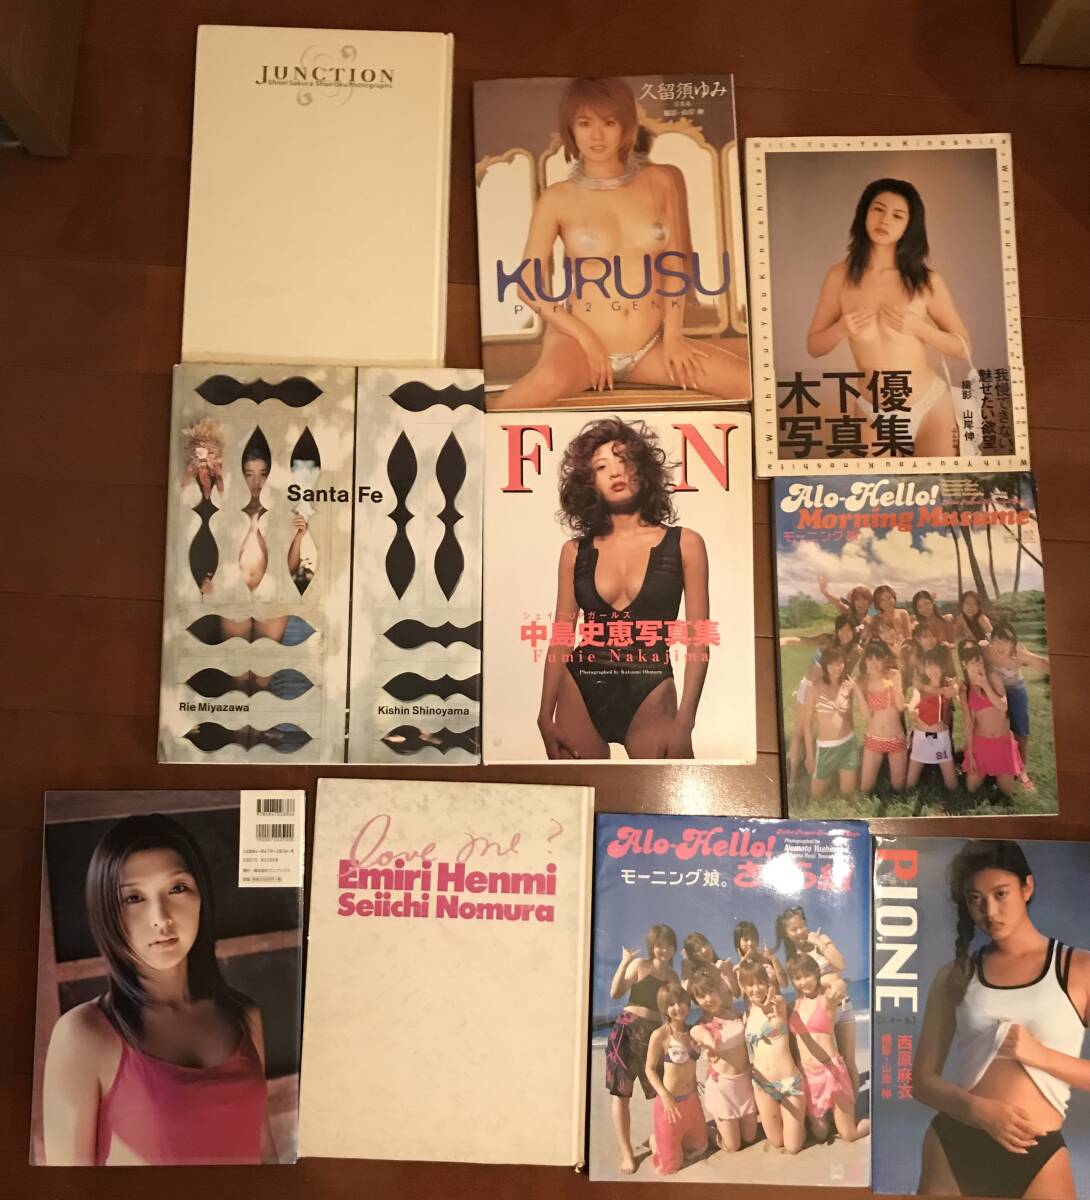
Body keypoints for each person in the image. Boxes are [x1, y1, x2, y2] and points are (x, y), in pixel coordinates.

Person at [495, 76, 748, 409]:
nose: (596, 136)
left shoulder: (661, 181)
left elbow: (674, 264)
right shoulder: (557, 198)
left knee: (746, 380)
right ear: (571, 129)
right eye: (585, 123)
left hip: (651, 346)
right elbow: (526, 286)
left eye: (609, 123)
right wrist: (586, 338)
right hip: (579, 347)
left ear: (626, 126)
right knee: (536, 388)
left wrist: (674, 337)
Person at [41, 814, 274, 1166]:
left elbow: (266, 1154)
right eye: (133, 898)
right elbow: (64, 1187)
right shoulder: (83, 1035)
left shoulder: (244, 1017)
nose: (161, 917)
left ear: (202, 896)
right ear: (105, 912)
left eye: (177, 888)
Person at [913, 840, 1089, 1198]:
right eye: (975, 898)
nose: (989, 911)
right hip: (954, 1143)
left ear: (1027, 887)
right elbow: (921, 1081)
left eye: (1000, 894)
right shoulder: (954, 975)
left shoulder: (1080, 968)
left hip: (1037, 1152)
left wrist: (1040, 1056)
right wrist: (979, 1112)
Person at [537, 418, 709, 760]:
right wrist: (544, 716)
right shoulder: (574, 551)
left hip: (650, 691)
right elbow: (561, 636)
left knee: (661, 791)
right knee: (581, 791)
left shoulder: (685, 543)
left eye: (624, 460)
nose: (615, 472)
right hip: (580, 688)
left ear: (642, 469)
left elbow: (698, 638)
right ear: (590, 481)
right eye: (602, 466)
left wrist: (685, 723)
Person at [806, 177, 972, 457]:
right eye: (878, 209)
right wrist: (841, 328)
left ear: (909, 225)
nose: (885, 221)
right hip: (872, 411)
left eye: (897, 216)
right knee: (877, 486)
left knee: (941, 485)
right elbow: (814, 347)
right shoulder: (839, 276)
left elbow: (964, 348)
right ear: (864, 213)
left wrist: (920, 328)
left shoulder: (925, 281)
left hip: (930, 405)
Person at [605, 924, 680, 1174]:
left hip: (654, 1035)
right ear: (652, 946)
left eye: (668, 945)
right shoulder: (639, 965)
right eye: (659, 945)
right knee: (621, 1093)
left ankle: (661, 1138)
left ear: (674, 948)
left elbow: (675, 1010)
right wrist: (624, 962)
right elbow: (616, 992)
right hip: (626, 1030)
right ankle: (627, 1152)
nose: (664, 949)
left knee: (662, 1090)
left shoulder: (673, 977)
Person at [775, 905, 859, 1096]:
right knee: (829, 1060)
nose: (799, 932)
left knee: (848, 1059)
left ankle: (852, 1105)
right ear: (786, 933)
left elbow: (840, 964)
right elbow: (801, 991)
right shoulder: (795, 957)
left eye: (801, 926)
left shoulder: (822, 939)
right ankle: (830, 1101)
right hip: (821, 1011)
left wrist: (820, 944)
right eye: (794, 929)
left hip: (843, 1005)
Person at [786, 954, 870, 1145]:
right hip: (808, 1076)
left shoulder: (827, 999)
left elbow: (840, 984)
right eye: (797, 977)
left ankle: (873, 1120)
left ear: (816, 973)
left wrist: (841, 984)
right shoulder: (792, 1007)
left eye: (807, 975)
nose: (804, 981)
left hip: (832, 1073)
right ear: (792, 981)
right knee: (821, 1134)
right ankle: (833, 1116)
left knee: (849, 1135)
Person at [782, 614, 861, 780]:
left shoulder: (855, 651)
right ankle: (793, 777)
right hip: (809, 687)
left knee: (828, 729)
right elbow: (807, 641)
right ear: (836, 630)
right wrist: (787, 640)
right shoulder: (827, 639)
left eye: (849, 630)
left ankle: (829, 766)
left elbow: (845, 674)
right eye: (841, 629)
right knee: (800, 731)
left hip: (827, 692)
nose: (844, 633)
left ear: (854, 632)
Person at [739, 958, 806, 1154]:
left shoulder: (778, 1002)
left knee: (792, 1147)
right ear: (743, 987)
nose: (756, 988)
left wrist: (767, 1009)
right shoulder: (746, 1014)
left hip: (789, 1083)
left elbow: (776, 1020)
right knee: (776, 1142)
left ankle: (800, 1127)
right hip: (763, 1086)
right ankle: (794, 1125)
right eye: (750, 984)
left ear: (767, 983)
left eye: (760, 982)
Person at [689, 966, 758, 1153]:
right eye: (701, 996)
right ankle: (709, 1131)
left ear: (718, 990)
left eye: (710, 992)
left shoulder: (734, 1013)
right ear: (696, 1001)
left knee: (750, 1138)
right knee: (732, 1146)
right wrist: (710, 1046)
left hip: (744, 1082)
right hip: (723, 1087)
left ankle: (725, 1125)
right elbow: (705, 1039)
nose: (708, 998)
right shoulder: (699, 1027)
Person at [645, 982, 708, 1174]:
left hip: (692, 1101)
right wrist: (664, 1095)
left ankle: (678, 1139)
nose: (677, 1007)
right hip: (670, 1105)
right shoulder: (660, 1035)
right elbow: (649, 1069)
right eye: (671, 1004)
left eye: (681, 1001)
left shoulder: (694, 1031)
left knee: (699, 1149)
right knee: (670, 1167)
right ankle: (655, 1141)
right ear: (664, 1008)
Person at [986, 621, 1049, 791]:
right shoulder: (986, 651)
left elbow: (1044, 663)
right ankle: (995, 766)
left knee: (1021, 731)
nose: (1000, 646)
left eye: (1005, 641)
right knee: (995, 730)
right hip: (995, 691)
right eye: (996, 640)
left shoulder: (1018, 655)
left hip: (1016, 689)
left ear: (1013, 643)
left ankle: (1022, 772)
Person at [959, 641, 1023, 798]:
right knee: (971, 789)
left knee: (1006, 793)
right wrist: (971, 754)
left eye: (980, 662)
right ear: (965, 665)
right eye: (974, 662)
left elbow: (1003, 707)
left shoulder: (993, 677)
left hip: (1002, 743)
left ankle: (996, 776)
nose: (978, 666)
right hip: (982, 743)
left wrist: (985, 685)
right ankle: (985, 773)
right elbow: (968, 723)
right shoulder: (965, 688)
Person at [801, 645, 860, 801]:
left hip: (848, 744)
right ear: (825, 665)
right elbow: (807, 725)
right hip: (826, 748)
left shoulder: (847, 686)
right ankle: (830, 774)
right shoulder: (814, 688)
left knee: (847, 793)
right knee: (816, 797)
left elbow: (850, 717)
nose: (836, 667)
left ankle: (837, 774)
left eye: (840, 663)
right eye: (832, 663)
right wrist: (809, 755)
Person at [854, 640, 908, 793]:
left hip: (895, 738)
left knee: (898, 788)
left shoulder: (893, 675)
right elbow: (867, 717)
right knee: (865, 789)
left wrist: (895, 685)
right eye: (870, 658)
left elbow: (900, 707)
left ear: (885, 659)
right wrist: (858, 691)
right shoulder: (862, 681)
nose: (873, 663)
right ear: (865, 661)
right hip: (874, 739)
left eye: (878, 658)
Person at [906, 647, 959, 792]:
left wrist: (945, 688)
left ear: (942, 667)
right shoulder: (919, 687)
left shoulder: (948, 684)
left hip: (941, 738)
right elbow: (915, 699)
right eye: (928, 666)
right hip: (921, 737)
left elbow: (953, 691)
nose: (932, 670)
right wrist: (911, 708)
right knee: (910, 783)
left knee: (952, 785)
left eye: (935, 665)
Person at [726, 921, 787, 998]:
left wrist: (775, 960)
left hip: (776, 1003)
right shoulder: (737, 968)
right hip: (755, 1006)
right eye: (746, 940)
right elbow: (740, 995)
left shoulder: (768, 959)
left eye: (753, 938)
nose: (750, 943)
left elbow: (784, 984)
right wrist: (737, 970)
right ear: (738, 943)